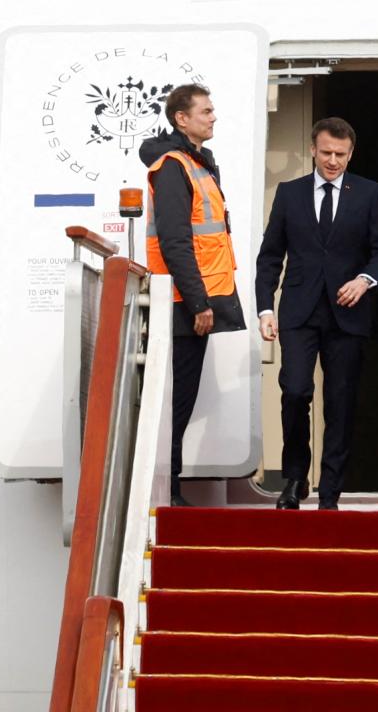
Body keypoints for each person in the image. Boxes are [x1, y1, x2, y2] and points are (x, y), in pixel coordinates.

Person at [255, 117, 378, 510]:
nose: (333, 161)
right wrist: (265, 308)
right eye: (327, 152)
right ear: (313, 149)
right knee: (295, 391)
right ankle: (295, 477)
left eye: (341, 154)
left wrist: (364, 280)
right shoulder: (290, 193)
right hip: (298, 311)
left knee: (340, 402)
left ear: (351, 154)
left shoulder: (368, 193)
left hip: (348, 314)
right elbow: (270, 257)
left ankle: (330, 492)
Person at [139, 84, 246, 507]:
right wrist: (199, 302)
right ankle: (169, 489)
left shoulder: (197, 162)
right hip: (184, 303)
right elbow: (175, 242)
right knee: (176, 400)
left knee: (181, 398)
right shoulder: (174, 167)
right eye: (206, 111)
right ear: (181, 119)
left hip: (194, 299)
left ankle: (171, 486)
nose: (213, 116)